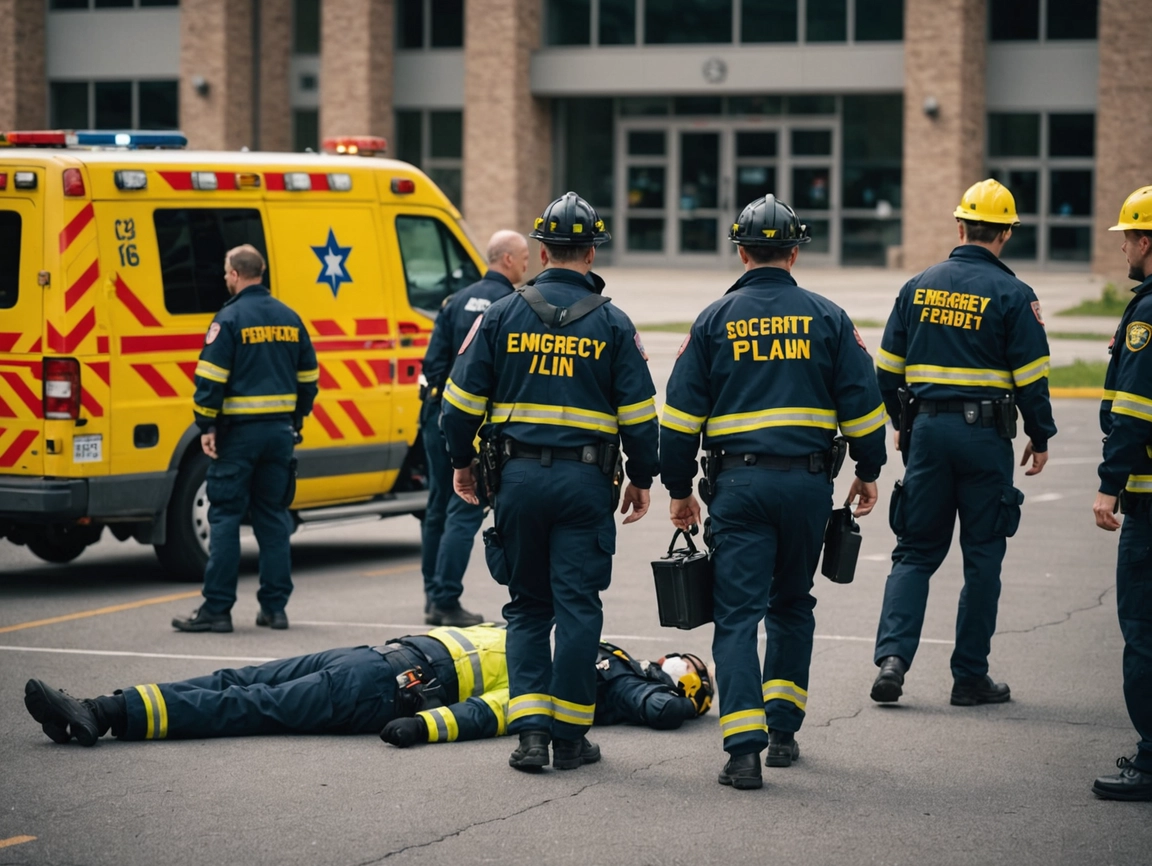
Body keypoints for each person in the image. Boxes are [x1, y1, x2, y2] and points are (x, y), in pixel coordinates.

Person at [660, 194, 887, 791]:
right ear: (794, 252)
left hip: (737, 487)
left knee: (737, 618)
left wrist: (680, 489)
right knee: (792, 604)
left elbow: (680, 418)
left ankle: (743, 753)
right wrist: (868, 469)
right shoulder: (829, 318)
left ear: (740, 251)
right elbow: (864, 408)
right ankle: (783, 732)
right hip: (809, 486)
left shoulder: (713, 320)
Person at [441, 192, 660, 773]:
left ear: (540, 252)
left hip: (516, 482)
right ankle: (571, 738)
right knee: (579, 608)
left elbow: (458, 406)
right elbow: (640, 418)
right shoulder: (613, 322)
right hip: (585, 485)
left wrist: (462, 463)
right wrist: (641, 478)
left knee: (529, 608)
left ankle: (530, 736)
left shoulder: (502, 314)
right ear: (591, 252)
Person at [870, 179, 1056, 707]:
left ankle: (893, 660)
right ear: (1005, 234)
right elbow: (1031, 379)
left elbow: (886, 371)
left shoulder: (917, 286)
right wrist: (1040, 434)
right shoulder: (1015, 295)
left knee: (914, 552)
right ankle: (969, 677)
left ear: (960, 227)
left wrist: (901, 420)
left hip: (926, 433)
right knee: (983, 557)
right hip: (985, 439)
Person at [21, 626, 711, 751]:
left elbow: (492, 712)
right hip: (383, 658)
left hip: (396, 686)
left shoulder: (600, 681)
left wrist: (423, 727)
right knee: (238, 681)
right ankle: (105, 704)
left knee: (242, 706)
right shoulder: (595, 654)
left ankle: (102, 718)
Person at [171, 245, 319, 634]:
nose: (224, 278)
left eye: (226, 272)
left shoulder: (229, 318)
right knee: (273, 519)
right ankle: (275, 609)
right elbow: (309, 379)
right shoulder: (290, 319)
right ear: (262, 271)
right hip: (279, 435)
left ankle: (217, 610)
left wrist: (207, 425)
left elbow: (211, 379)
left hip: (237, 437)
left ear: (236, 273)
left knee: (224, 518)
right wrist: (296, 419)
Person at [419, 231, 530, 627]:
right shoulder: (509, 307)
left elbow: (433, 363)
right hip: (476, 426)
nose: (527, 264)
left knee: (436, 507)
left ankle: (433, 593)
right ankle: (446, 600)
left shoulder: (455, 301)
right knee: (464, 510)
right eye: (523, 258)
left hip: (438, 415)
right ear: (505, 260)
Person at [1089, 186, 1152, 801]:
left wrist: (1110, 486)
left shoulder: (1149, 313)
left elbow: (1134, 411)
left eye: (1131, 237)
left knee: (1144, 630)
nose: (1126, 248)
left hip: (1151, 501)